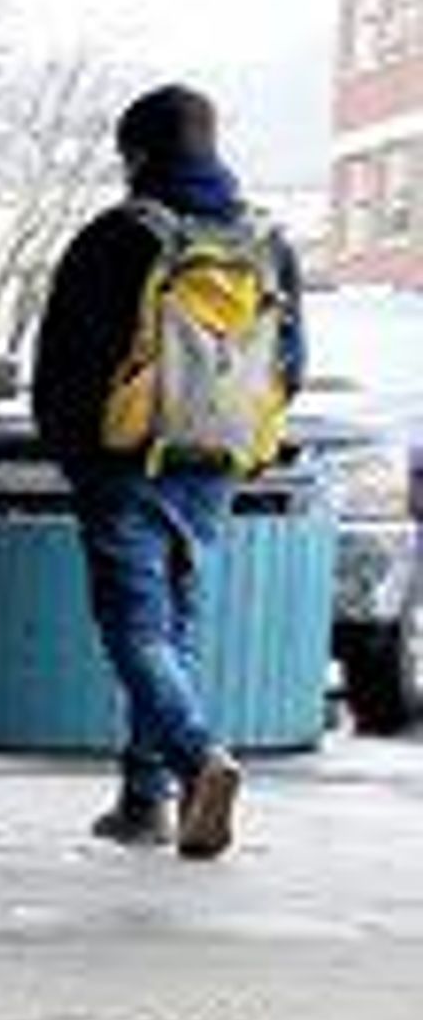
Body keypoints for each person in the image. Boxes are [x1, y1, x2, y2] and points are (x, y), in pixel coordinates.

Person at [29, 84, 305, 860]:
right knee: (175, 627)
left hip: (124, 461)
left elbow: (63, 365)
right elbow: (290, 363)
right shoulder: (264, 242)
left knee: (134, 630)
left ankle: (196, 758)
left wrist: (76, 456)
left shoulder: (120, 235)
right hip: (213, 460)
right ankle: (145, 802)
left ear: (139, 154)